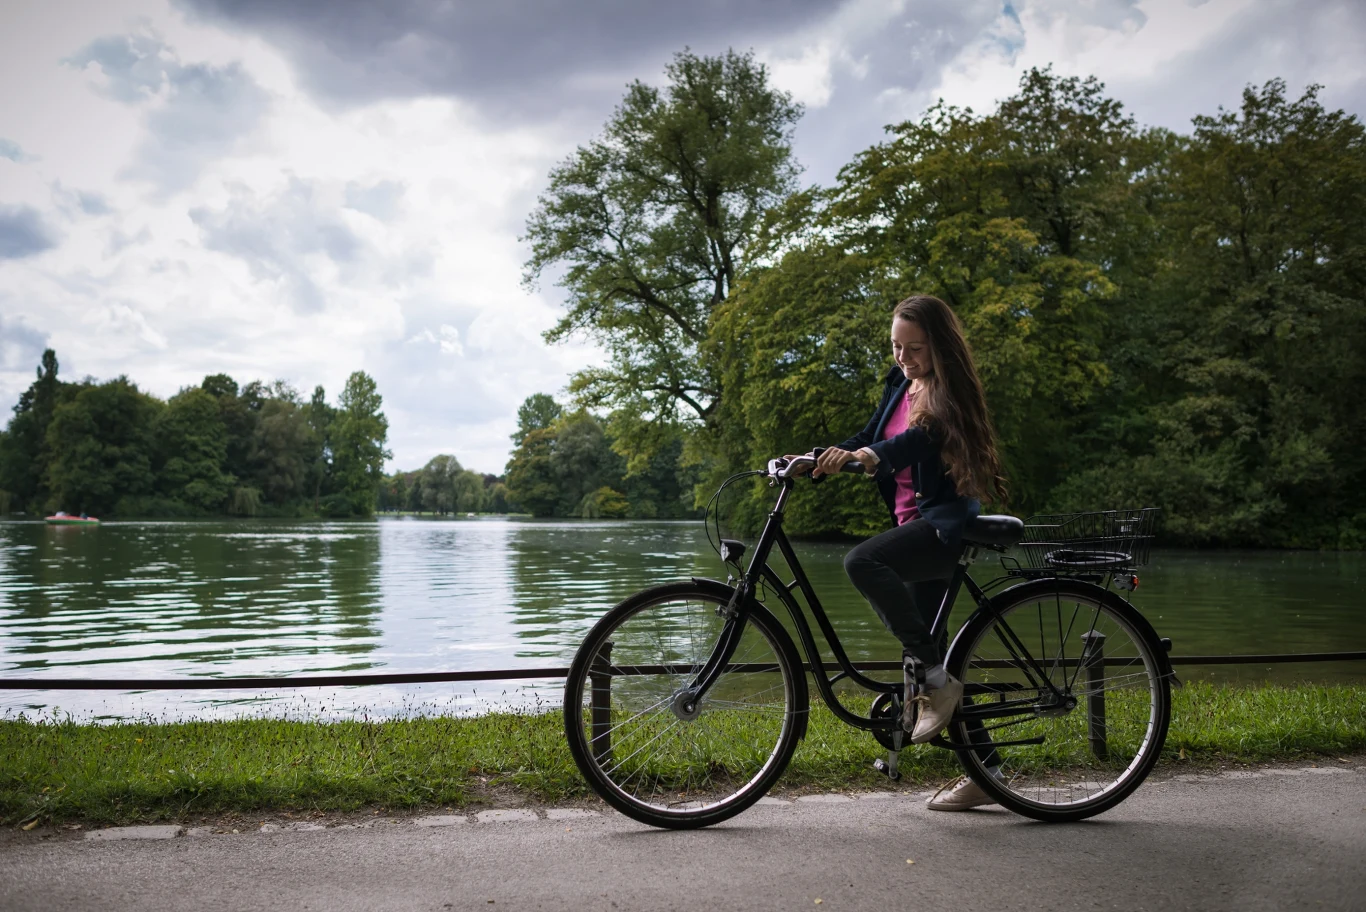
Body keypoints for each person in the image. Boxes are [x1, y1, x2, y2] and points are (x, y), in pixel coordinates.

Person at [787, 294, 1008, 811]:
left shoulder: (946, 394)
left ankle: (936, 685)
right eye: (895, 346)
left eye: (915, 348)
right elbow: (870, 436)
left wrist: (870, 456)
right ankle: (989, 774)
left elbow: (914, 441)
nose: (903, 357)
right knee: (931, 652)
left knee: (861, 562)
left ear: (939, 346)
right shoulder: (899, 383)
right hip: (910, 524)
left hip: (941, 526)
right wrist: (815, 458)